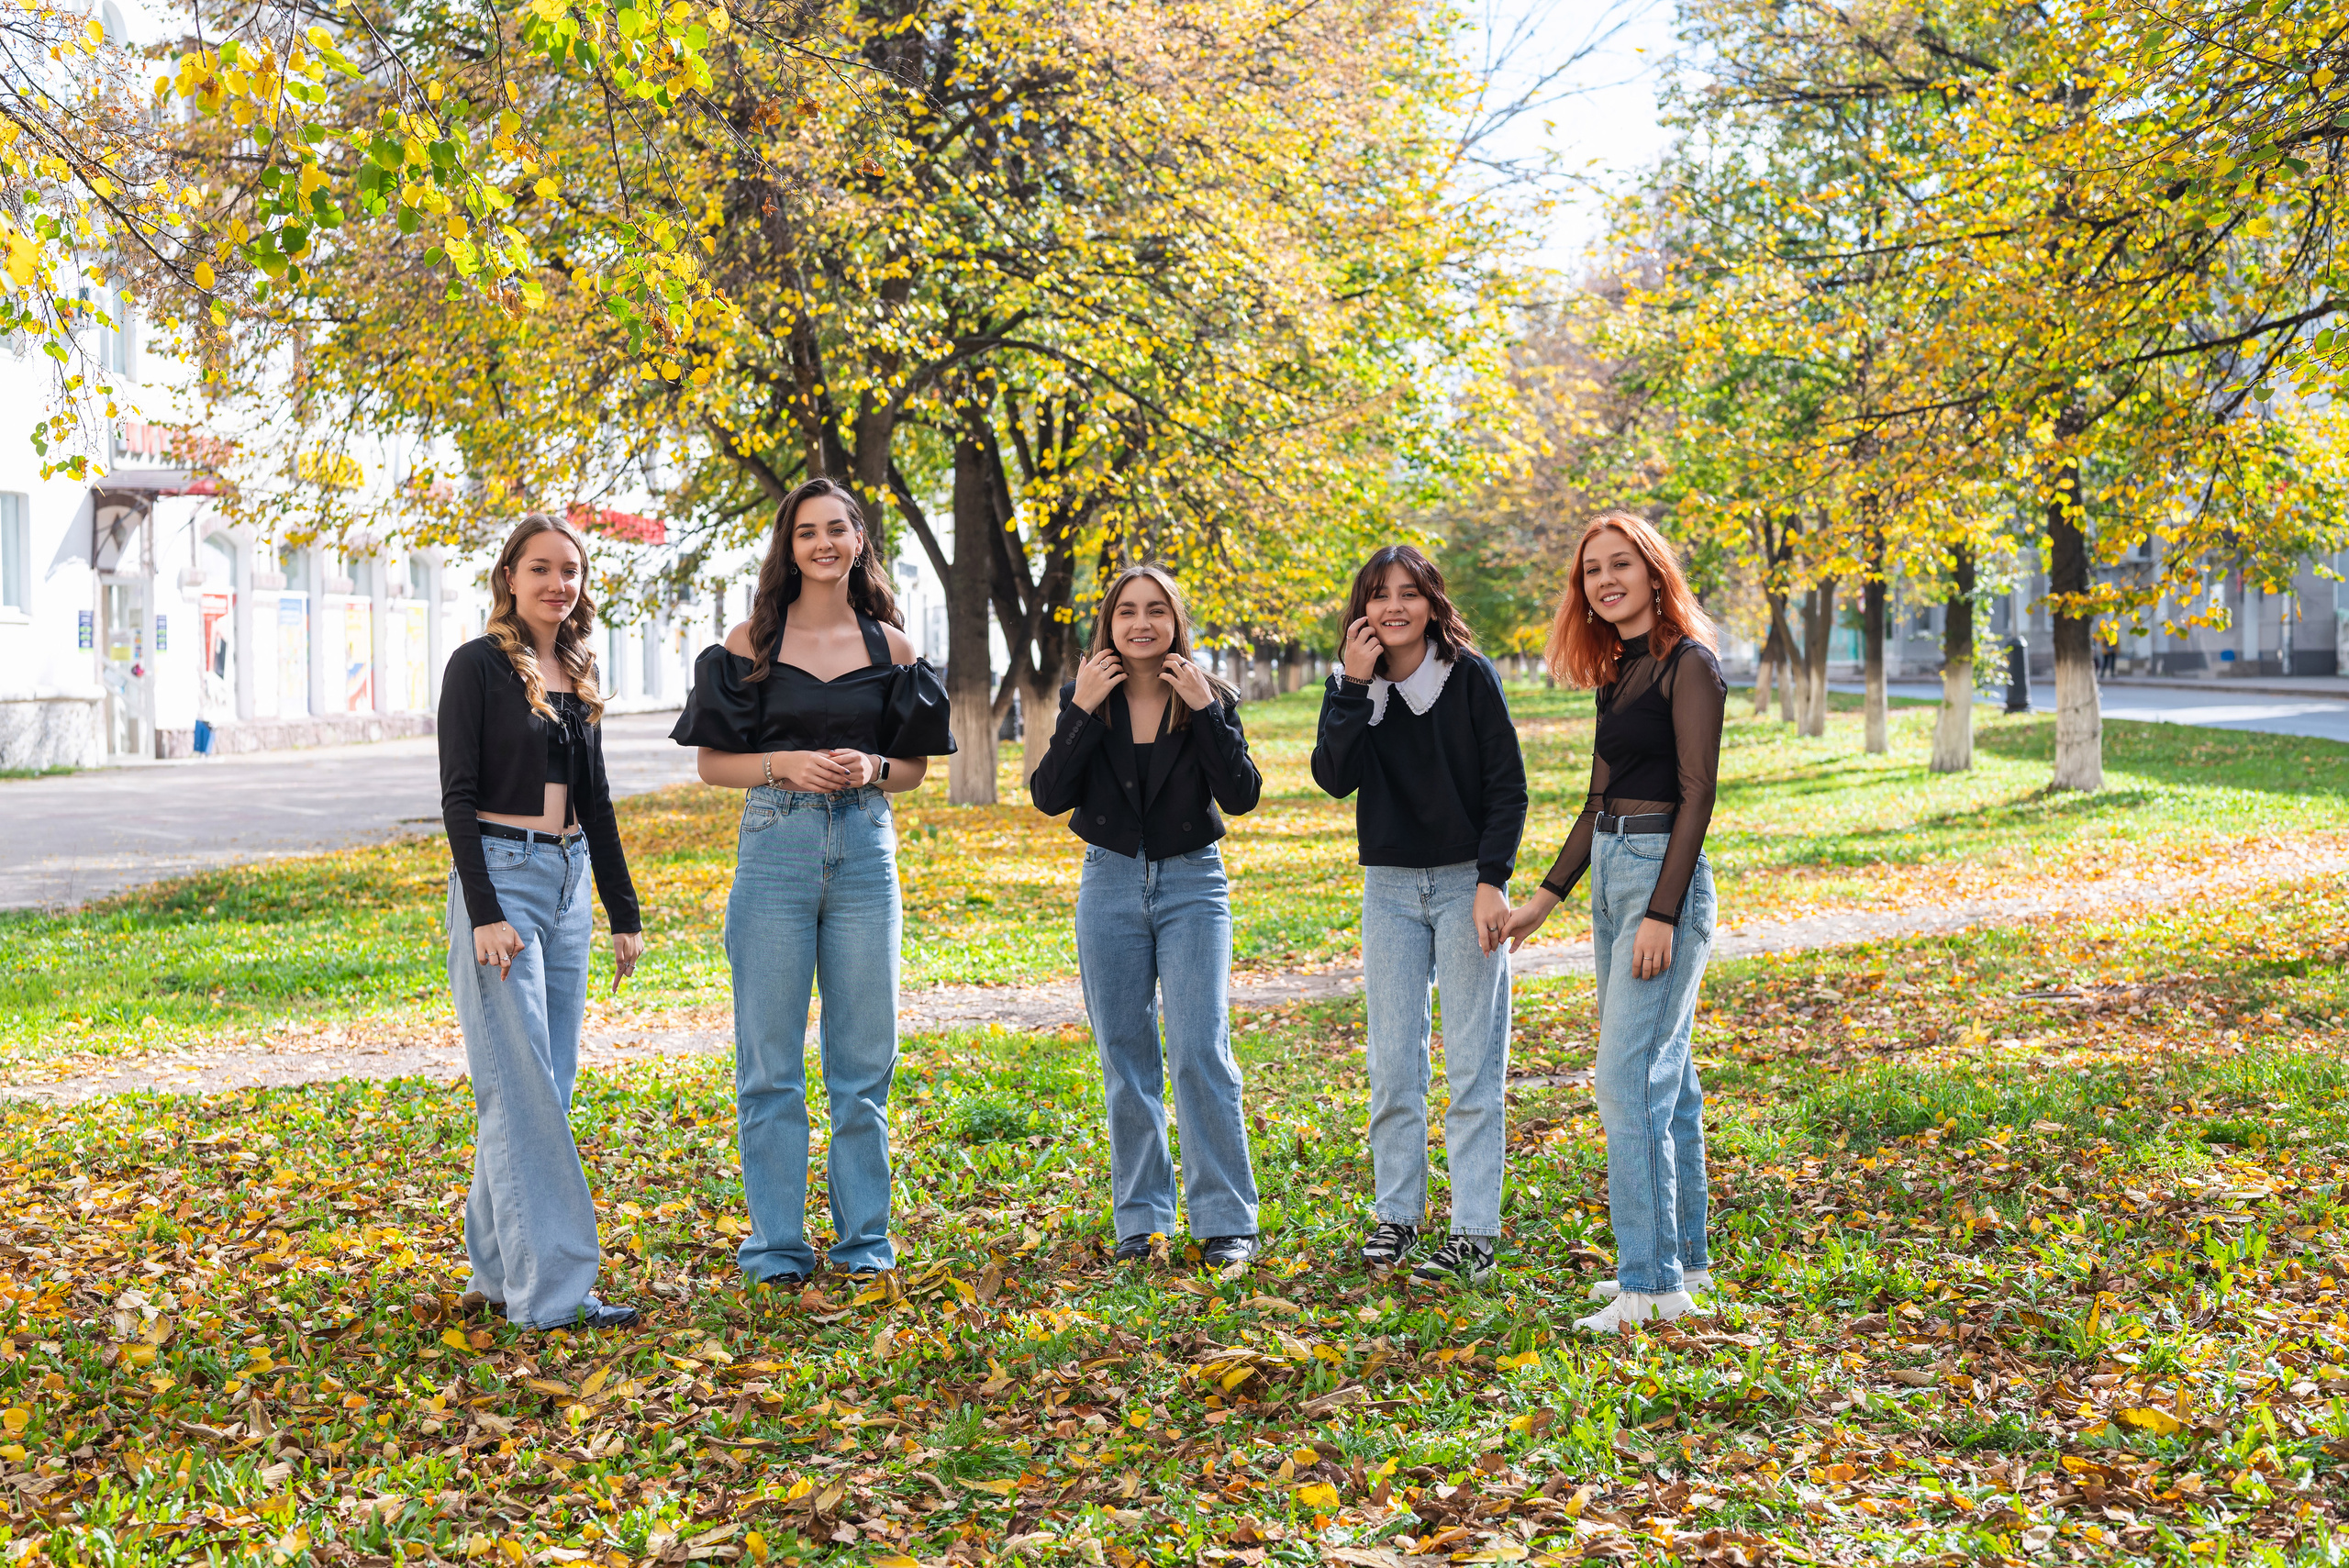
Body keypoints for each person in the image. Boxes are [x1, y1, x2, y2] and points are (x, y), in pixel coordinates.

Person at [672, 477, 955, 1287]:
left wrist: (873, 765)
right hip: (776, 847)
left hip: (865, 849)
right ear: (789, 547)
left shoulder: (893, 649)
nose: (823, 543)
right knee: (769, 1066)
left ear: (859, 540)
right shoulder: (750, 642)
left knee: (863, 1065)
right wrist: (784, 763)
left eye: (837, 528)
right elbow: (711, 764)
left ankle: (864, 1241)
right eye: (807, 531)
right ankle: (777, 1249)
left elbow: (913, 770)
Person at [1502, 511, 1724, 1331]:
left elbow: (1698, 793)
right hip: (1613, 869)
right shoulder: (1619, 671)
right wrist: (1546, 897)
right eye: (1591, 569)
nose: (1604, 580)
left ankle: (1650, 1287)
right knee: (1670, 1083)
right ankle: (1684, 1262)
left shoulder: (1688, 664)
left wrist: (1663, 911)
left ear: (1654, 571)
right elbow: (1598, 798)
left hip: (1662, 877)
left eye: (1620, 563)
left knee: (1626, 1081)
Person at [439, 513, 646, 1332]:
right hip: (501, 878)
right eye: (541, 568)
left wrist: (621, 910)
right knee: (522, 1087)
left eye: (571, 570)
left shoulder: (579, 669)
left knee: (541, 1088)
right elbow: (457, 796)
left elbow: (597, 800)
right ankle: (552, 1293)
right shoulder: (477, 666)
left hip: (567, 883)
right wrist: (484, 912)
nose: (559, 583)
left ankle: (496, 1273)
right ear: (509, 577)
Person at [1030, 565, 1264, 1268]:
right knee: (1126, 1057)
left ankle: (1226, 1220)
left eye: (1156, 609)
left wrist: (1207, 711)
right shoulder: (1087, 698)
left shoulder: (1207, 694)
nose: (1141, 623)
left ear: (1175, 621)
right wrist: (1079, 708)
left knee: (1200, 1050)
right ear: (1109, 622)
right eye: (1127, 610)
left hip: (1194, 883)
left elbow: (1241, 795)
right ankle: (1142, 1220)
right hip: (1108, 882)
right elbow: (1049, 795)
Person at [1312, 545, 1527, 1287]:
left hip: (1469, 883)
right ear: (1362, 609)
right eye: (1379, 594)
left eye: (1409, 592)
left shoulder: (1469, 676)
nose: (1394, 606)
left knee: (1472, 1063)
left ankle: (1474, 1233)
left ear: (1432, 603)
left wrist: (1493, 880)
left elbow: (1508, 787)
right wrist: (1353, 685)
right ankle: (1398, 1214)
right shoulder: (1352, 684)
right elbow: (1333, 776)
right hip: (1391, 890)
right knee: (1394, 1062)